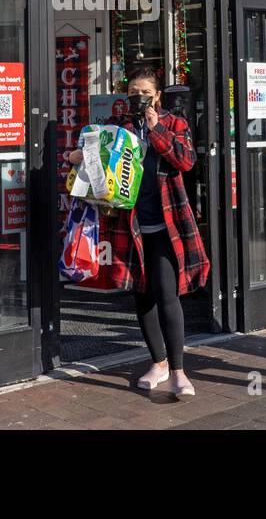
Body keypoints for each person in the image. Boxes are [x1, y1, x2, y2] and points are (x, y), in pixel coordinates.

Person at [67, 66, 209, 397]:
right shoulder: (119, 130)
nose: (138, 96)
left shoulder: (174, 124)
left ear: (157, 96)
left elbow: (186, 161)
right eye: (132, 91)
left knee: (166, 294)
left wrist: (156, 128)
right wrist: (77, 156)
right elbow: (93, 161)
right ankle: (157, 363)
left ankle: (178, 371)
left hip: (166, 225)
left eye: (144, 91)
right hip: (131, 226)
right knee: (142, 297)